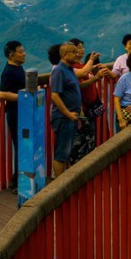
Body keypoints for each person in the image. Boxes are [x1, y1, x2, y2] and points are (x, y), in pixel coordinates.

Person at [47, 42, 85, 178]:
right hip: (63, 117)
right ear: (64, 55)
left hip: (72, 116)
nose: (77, 54)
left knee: (67, 150)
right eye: (73, 52)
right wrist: (68, 114)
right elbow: (55, 95)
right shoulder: (59, 70)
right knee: (62, 151)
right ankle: (59, 184)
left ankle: (62, 180)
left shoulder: (69, 69)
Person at [0, 40, 27, 189]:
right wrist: (23, 96)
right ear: (11, 54)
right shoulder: (8, 71)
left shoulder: (19, 68)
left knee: (23, 145)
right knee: (20, 145)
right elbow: (2, 94)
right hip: (15, 113)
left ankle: (20, 178)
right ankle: (17, 182)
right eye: (21, 51)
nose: (24, 54)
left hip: (23, 112)